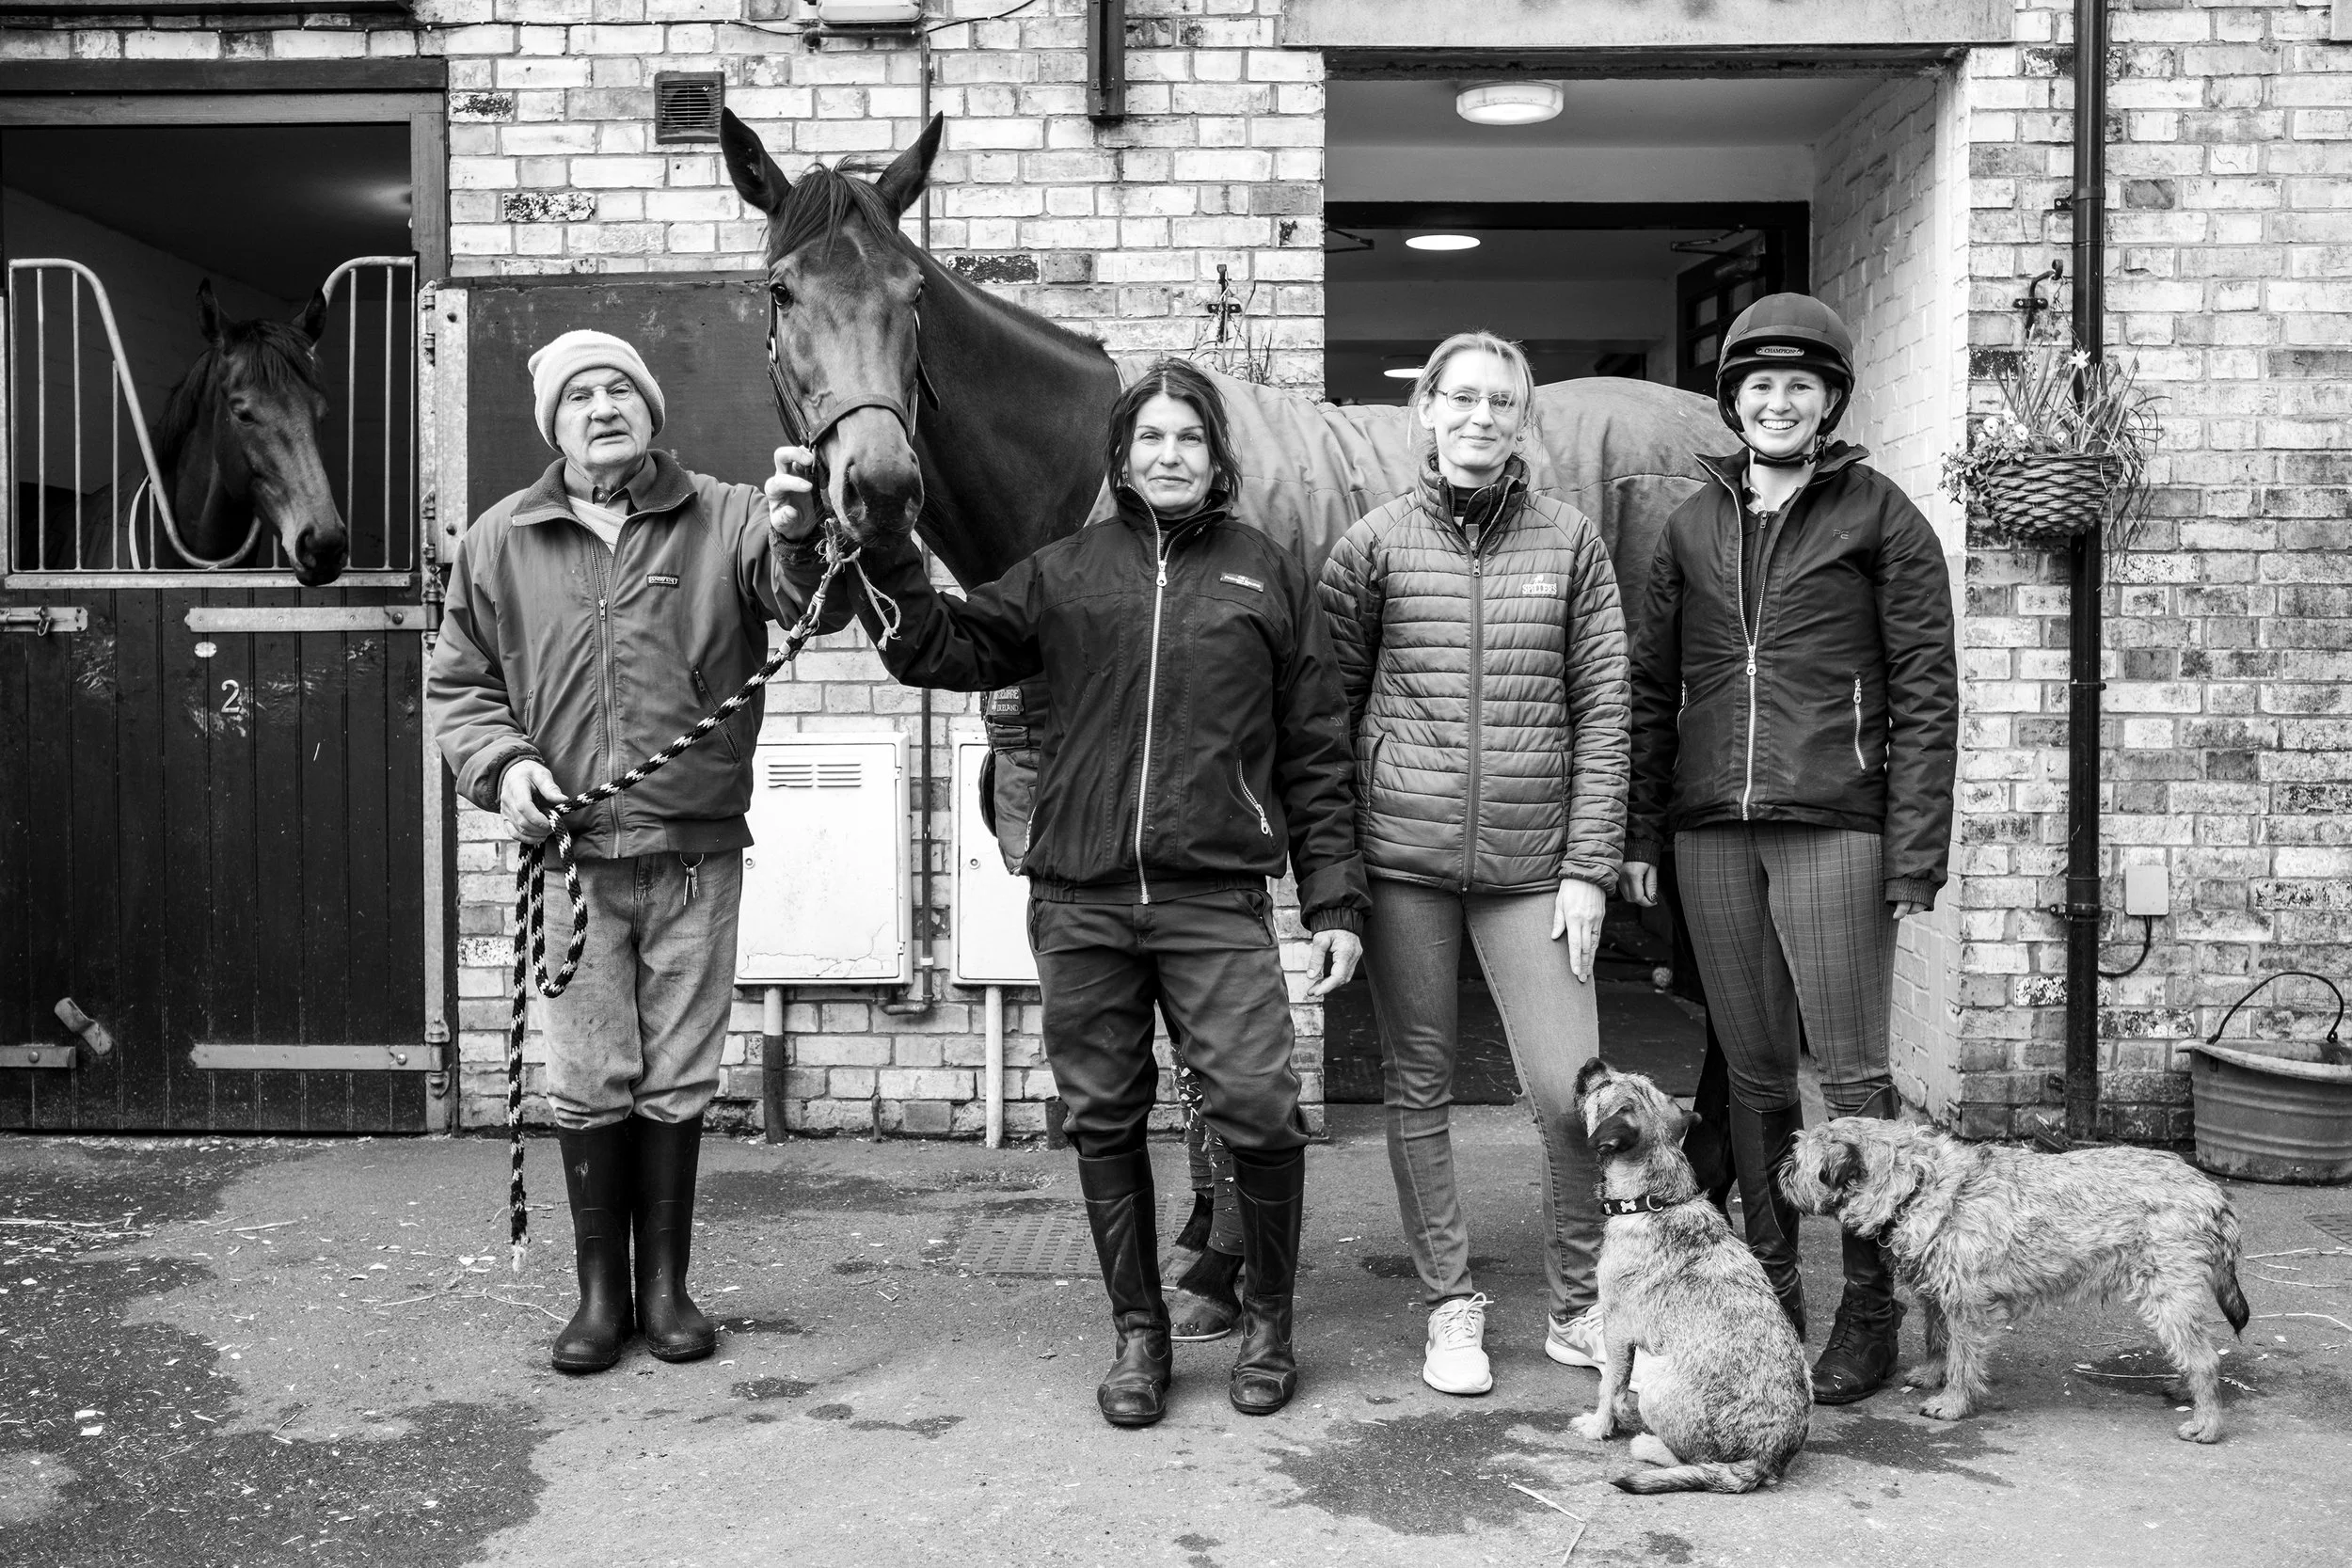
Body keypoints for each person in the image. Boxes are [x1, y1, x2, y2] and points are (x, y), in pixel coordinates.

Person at [773, 358, 1369, 1428]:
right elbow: (934, 647)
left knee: (1262, 1109)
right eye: (1151, 439)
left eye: (1190, 437)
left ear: (1216, 456)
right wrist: (891, 547)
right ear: (1122, 457)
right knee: (1103, 1116)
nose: (1171, 454)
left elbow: (1317, 749)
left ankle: (1271, 1321)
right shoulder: (1063, 571)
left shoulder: (1265, 572)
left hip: (1212, 896)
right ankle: (1140, 1335)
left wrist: (1332, 901)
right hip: (1082, 900)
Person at [428, 329, 853, 1374]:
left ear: (651, 410)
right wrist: (505, 767)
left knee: (677, 1075)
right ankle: (599, 1294)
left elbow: (818, 605)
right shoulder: (498, 540)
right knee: (587, 1076)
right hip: (571, 857)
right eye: (579, 395)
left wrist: (802, 537)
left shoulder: (730, 515)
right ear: (555, 425)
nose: (602, 405)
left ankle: (665, 1284)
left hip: (694, 851)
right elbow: (460, 686)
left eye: (621, 387)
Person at [1621, 293, 1959, 1406]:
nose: (1776, 400)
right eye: (1757, 384)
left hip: (1833, 822)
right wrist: (1641, 832)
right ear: (1732, 401)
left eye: (1799, 385)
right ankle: (1772, 1284)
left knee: (1854, 1079)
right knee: (1756, 1076)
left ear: (1830, 402)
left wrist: (1914, 848)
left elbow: (1924, 689)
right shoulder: (1688, 524)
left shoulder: (1881, 516)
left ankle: (1872, 1306)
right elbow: (1647, 687)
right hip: (1713, 826)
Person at [1318, 330, 1629, 1398]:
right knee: (1418, 1086)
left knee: (1567, 1093)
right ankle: (1450, 1302)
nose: (1480, 416)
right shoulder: (1370, 546)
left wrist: (1590, 865)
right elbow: (1326, 715)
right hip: (1402, 859)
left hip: (1536, 866)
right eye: (1461, 398)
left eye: (1501, 400)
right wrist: (1336, 881)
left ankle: (1579, 1305)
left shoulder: (1573, 544)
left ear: (1522, 419)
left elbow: (1605, 712)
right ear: (1427, 412)